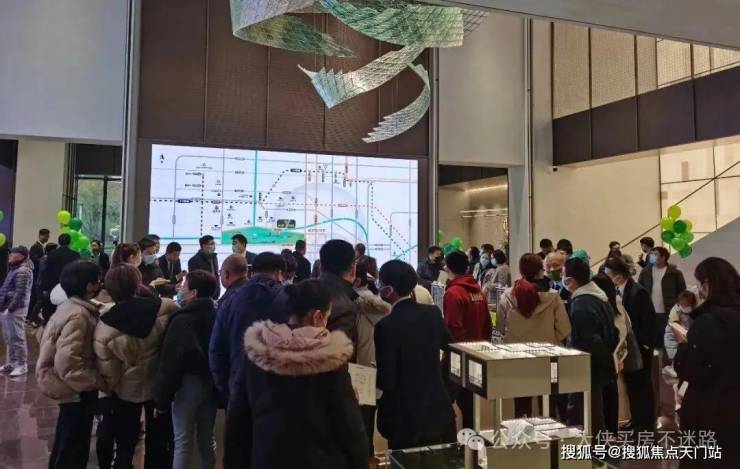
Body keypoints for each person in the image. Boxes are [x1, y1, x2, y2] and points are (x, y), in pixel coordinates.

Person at [226, 280, 368, 469]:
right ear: (317, 317)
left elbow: (237, 420)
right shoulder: (329, 359)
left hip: (268, 459)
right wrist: (360, 462)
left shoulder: (258, 353)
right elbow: (349, 426)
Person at [94, 264, 178, 468]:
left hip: (125, 389)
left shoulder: (105, 325)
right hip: (159, 385)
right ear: (137, 283)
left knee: (125, 443)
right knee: (160, 441)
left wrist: (107, 392)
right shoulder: (166, 307)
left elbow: (109, 369)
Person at [374, 260, 456, 449]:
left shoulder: (386, 326)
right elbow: (453, 350)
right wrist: (447, 387)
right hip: (437, 407)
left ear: (389, 290)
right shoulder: (433, 314)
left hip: (403, 416)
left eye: (381, 283)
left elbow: (387, 380)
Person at [36, 261, 104, 469]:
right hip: (75, 388)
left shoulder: (69, 307)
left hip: (67, 385)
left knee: (66, 438)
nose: (100, 285)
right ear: (88, 286)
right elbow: (67, 362)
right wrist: (93, 381)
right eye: (97, 281)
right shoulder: (79, 315)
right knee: (74, 443)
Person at [673, 257, 740, 468]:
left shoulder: (709, 321)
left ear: (709, 284)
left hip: (709, 410)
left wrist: (683, 346)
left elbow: (689, 368)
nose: (699, 291)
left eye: (700, 283)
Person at [155, 271, 218, 469]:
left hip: (187, 386)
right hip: (212, 383)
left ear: (194, 293)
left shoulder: (181, 320)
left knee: (182, 441)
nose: (181, 289)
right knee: (207, 438)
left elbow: (170, 363)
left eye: (184, 286)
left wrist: (162, 399)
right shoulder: (218, 314)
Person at [496, 254, 571, 418]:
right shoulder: (553, 297)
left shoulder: (507, 295)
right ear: (539, 272)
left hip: (518, 358)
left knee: (521, 404)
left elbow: (500, 327)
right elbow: (564, 329)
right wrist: (551, 338)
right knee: (548, 402)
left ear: (521, 271)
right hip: (548, 357)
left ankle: (522, 432)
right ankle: (549, 431)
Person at [209, 253, 284, 404]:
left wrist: (226, 389)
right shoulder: (288, 299)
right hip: (277, 389)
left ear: (252, 271)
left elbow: (216, 350)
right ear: (279, 274)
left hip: (239, 387)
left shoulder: (230, 301)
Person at [563, 257, 618, 436]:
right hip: (598, 366)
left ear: (571, 280)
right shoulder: (599, 297)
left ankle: (590, 450)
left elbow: (589, 341)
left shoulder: (582, 304)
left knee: (585, 415)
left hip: (586, 368)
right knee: (594, 412)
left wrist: (603, 360)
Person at [604, 256, 656, 432]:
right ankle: (636, 420)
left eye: (609, 275)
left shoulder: (638, 291)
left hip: (640, 346)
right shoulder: (619, 291)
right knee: (632, 385)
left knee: (642, 385)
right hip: (629, 346)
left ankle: (645, 424)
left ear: (618, 276)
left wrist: (645, 344)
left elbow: (648, 320)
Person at [442, 250, 492, 428]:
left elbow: (452, 328)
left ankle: (453, 440)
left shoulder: (453, 293)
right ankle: (470, 440)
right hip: (477, 354)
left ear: (447, 268)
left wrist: (449, 353)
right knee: (470, 404)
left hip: (458, 356)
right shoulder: (478, 291)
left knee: (446, 401)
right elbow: (487, 324)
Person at [353, 258, 390, 456]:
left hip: (360, 365)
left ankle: (365, 456)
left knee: (361, 416)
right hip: (373, 363)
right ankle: (369, 454)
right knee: (368, 413)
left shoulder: (357, 302)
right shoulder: (379, 303)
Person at [638, 246, 686, 349]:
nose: (652, 256)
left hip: (668, 312)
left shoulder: (675, 273)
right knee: (653, 340)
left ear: (663, 257)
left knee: (669, 340)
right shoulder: (646, 272)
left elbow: (682, 292)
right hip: (650, 312)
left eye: (655, 254)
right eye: (651, 254)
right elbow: (640, 289)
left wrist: (680, 309)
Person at [318, 239, 360, 347]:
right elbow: (339, 354)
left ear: (321, 265)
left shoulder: (297, 291)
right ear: (352, 269)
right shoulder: (345, 307)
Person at [0, 246, 34, 377]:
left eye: (13, 253)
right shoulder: (14, 269)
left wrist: (10, 308)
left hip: (15, 309)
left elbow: (20, 293)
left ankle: (22, 365)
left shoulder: (23, 271)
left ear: (21, 256)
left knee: (17, 337)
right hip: (7, 307)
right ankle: (12, 362)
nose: (10, 255)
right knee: (9, 337)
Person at [664, 290, 697, 363]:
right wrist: (684, 340)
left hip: (685, 337)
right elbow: (675, 327)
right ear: (678, 303)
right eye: (682, 304)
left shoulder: (693, 311)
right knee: (674, 355)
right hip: (672, 337)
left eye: (687, 305)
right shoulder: (675, 310)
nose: (684, 307)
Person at [189, 235, 220, 299]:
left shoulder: (214, 257)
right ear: (204, 246)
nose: (214, 246)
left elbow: (215, 274)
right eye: (211, 244)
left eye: (214, 244)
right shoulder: (194, 260)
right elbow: (194, 282)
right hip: (203, 296)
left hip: (215, 294)